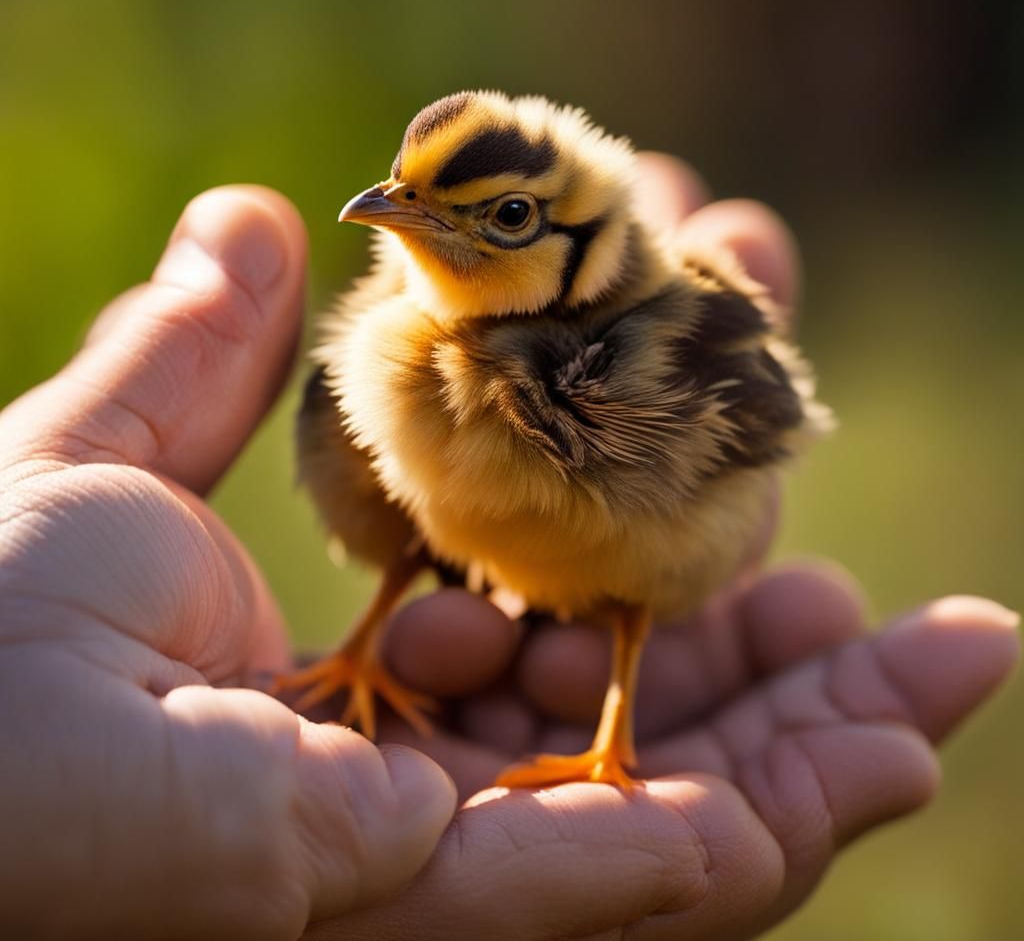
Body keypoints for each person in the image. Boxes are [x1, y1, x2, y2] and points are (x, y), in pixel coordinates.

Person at [0, 156, 1017, 941]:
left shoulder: (627, 361)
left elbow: (769, 413)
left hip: (627, 553)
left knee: (628, 593)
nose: (405, 215)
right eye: (410, 196)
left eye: (507, 216)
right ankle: (372, 652)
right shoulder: (388, 356)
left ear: (581, 242)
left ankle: (612, 736)